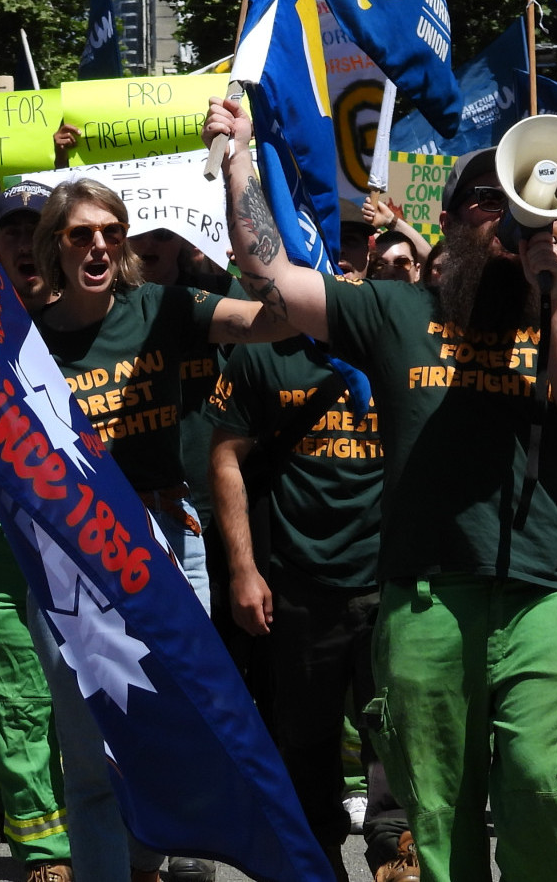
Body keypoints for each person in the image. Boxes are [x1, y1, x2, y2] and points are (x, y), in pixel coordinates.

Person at [204, 97, 557, 882]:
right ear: (456, 221)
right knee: (438, 816)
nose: (509, 218)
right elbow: (272, 275)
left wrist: (553, 292)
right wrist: (239, 159)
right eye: (489, 201)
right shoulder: (397, 310)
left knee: (540, 779)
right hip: (426, 599)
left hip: (540, 596)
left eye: (521, 203)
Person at [31, 176, 293, 881]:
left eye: (111, 232)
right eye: (81, 233)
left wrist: (242, 176)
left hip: (169, 537)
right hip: (74, 558)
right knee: (93, 758)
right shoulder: (23, 339)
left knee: (176, 734)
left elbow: (274, 319)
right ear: (55, 243)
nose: (98, 245)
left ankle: (148, 864)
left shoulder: (165, 307)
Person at [208, 332, 416, 882]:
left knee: (395, 729)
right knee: (305, 740)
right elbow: (225, 456)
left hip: (390, 576)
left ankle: (395, 846)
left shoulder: (397, 339)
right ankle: (315, 861)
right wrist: (243, 571)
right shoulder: (261, 354)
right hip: (297, 583)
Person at [0, 178, 76, 880]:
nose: (26, 247)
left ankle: (128, 836)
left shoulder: (93, 323)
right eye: (13, 233)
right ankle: (44, 854)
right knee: (15, 700)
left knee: (99, 703)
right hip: (6, 548)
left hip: (93, 548)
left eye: (42, 233)